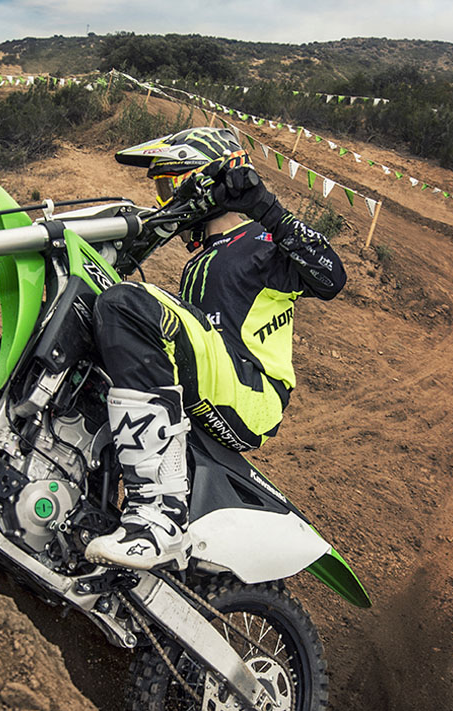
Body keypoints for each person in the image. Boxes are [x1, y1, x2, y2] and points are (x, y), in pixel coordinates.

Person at [84, 127, 346, 571]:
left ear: (205, 181)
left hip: (252, 391)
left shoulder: (262, 241)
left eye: (170, 185)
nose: (166, 198)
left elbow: (332, 278)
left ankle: (159, 519)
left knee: (127, 303)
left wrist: (267, 209)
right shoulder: (202, 258)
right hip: (218, 383)